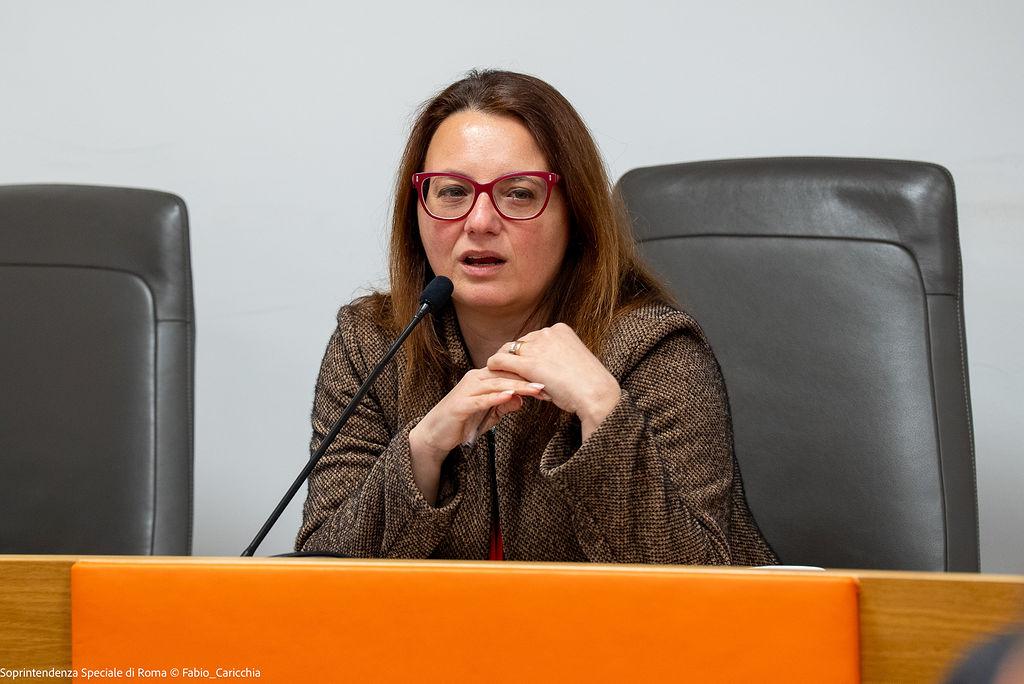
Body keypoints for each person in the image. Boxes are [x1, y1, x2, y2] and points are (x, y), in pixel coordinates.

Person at [296, 69, 776, 564]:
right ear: (416, 208)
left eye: (519, 193)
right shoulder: (372, 342)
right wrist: (424, 449)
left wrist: (602, 409)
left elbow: (702, 585)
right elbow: (318, 577)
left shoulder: (655, 350)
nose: (480, 222)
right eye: (453, 192)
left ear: (575, 211)